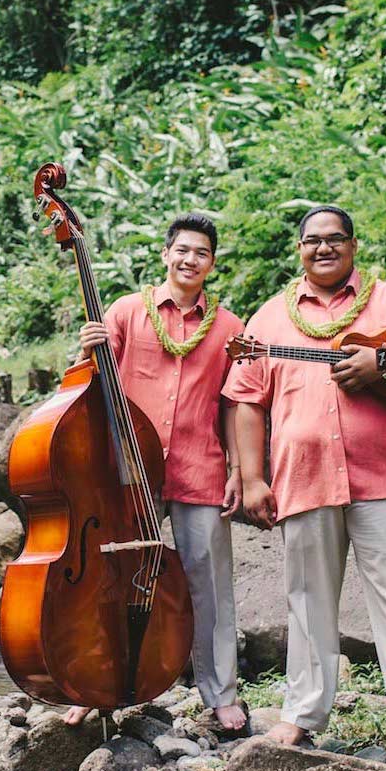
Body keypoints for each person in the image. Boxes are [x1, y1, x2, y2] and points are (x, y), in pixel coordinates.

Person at [224, 204, 386, 753]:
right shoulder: (269, 318)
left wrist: (381, 366)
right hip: (304, 477)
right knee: (307, 599)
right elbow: (246, 401)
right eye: (313, 240)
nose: (323, 248)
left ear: (354, 245)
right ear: (299, 249)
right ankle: (303, 714)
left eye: (335, 239)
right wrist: (253, 478)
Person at [66, 213, 247, 730]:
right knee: (110, 580)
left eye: (202, 253)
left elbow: (233, 405)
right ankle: (96, 685)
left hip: (200, 468)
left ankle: (221, 694)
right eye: (183, 250)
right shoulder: (124, 312)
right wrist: (84, 354)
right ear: (166, 255)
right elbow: (93, 390)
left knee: (208, 584)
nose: (191, 260)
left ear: (213, 264)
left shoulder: (230, 327)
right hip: (128, 468)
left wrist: (238, 469)